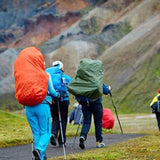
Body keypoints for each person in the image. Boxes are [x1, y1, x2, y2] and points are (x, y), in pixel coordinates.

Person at [23, 48, 60, 160]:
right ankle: (39, 150)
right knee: (46, 132)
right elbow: (52, 92)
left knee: (36, 132)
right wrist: (58, 95)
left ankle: (41, 157)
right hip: (42, 105)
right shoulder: (45, 74)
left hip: (28, 107)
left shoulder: (26, 75)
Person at [76, 84, 112, 149]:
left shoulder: (82, 79)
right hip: (96, 103)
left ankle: (83, 136)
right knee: (98, 123)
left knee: (86, 122)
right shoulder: (96, 78)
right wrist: (109, 88)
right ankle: (99, 142)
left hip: (85, 103)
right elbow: (106, 91)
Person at [46, 61, 72, 147]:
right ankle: (62, 141)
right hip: (64, 100)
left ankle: (53, 134)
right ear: (61, 67)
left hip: (53, 100)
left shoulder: (48, 76)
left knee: (55, 118)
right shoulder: (63, 77)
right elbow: (72, 83)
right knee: (63, 120)